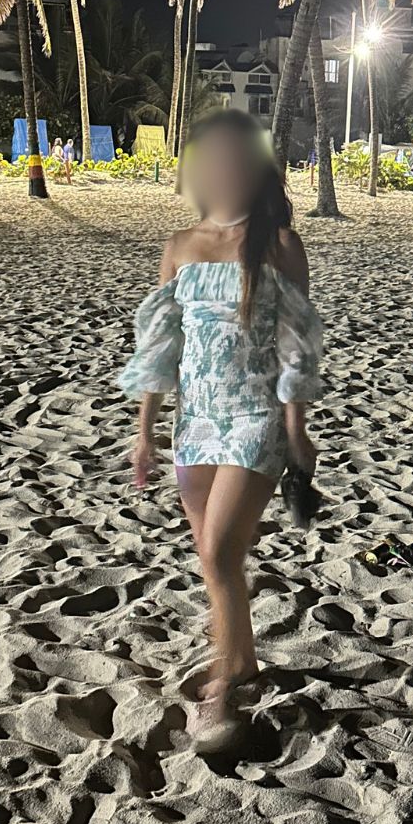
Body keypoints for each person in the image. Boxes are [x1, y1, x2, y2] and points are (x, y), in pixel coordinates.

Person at [117, 109, 323, 748]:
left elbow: (297, 346)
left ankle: (223, 695)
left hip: (254, 418)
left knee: (218, 552)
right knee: (215, 560)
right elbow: (160, 348)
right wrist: (146, 431)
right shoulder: (178, 247)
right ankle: (243, 660)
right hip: (195, 423)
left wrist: (297, 429)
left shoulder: (279, 245)